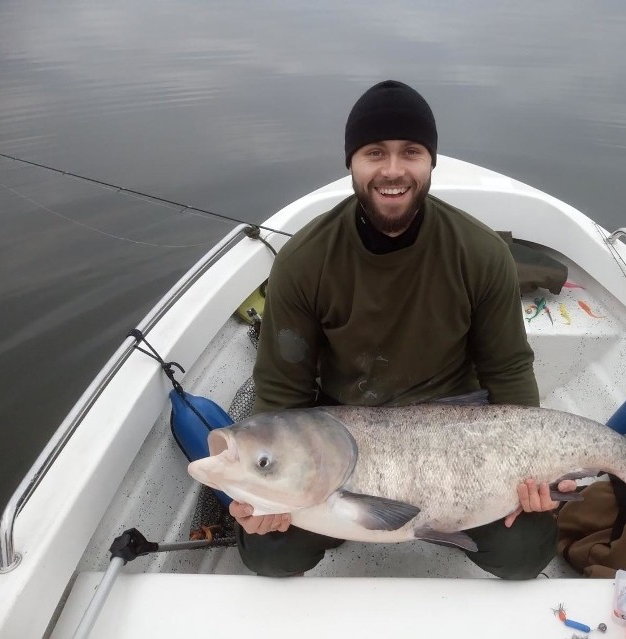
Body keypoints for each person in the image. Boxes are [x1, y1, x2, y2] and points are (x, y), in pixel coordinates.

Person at [230, 80, 575, 579]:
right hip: (345, 452)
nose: (393, 170)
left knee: (525, 552)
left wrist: (531, 472)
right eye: (375, 153)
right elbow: (282, 392)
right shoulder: (304, 261)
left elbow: (509, 372)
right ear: (351, 162)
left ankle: (437, 521)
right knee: (269, 553)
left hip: (456, 448)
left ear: (431, 161)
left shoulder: (480, 253)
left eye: (410, 152)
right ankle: (354, 517)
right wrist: (261, 492)